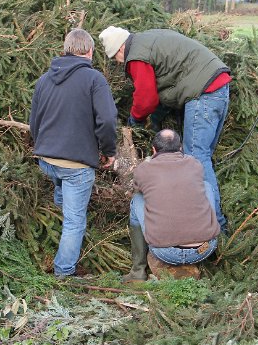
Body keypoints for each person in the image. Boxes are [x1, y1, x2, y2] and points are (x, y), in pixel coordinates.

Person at [99, 26, 232, 233]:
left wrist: (135, 121)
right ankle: (208, 219)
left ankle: (216, 227)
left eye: (116, 58)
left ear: (119, 49)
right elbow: (163, 91)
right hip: (218, 86)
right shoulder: (148, 40)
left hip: (203, 93)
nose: (119, 62)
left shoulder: (136, 57)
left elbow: (147, 98)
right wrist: (156, 121)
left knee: (197, 160)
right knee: (203, 157)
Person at [29, 29, 117, 279]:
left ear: (65, 49)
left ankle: (62, 226)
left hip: (46, 160)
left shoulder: (44, 79)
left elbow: (34, 120)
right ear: (89, 51)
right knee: (74, 221)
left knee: (65, 200)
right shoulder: (93, 79)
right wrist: (109, 151)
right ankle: (64, 272)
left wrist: (43, 145)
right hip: (75, 166)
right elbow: (108, 120)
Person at [123, 129, 220, 282]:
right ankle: (208, 237)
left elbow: (138, 188)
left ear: (153, 149)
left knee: (137, 199)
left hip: (165, 252)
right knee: (206, 186)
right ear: (180, 148)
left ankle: (137, 271)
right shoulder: (195, 164)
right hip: (205, 248)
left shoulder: (144, 170)